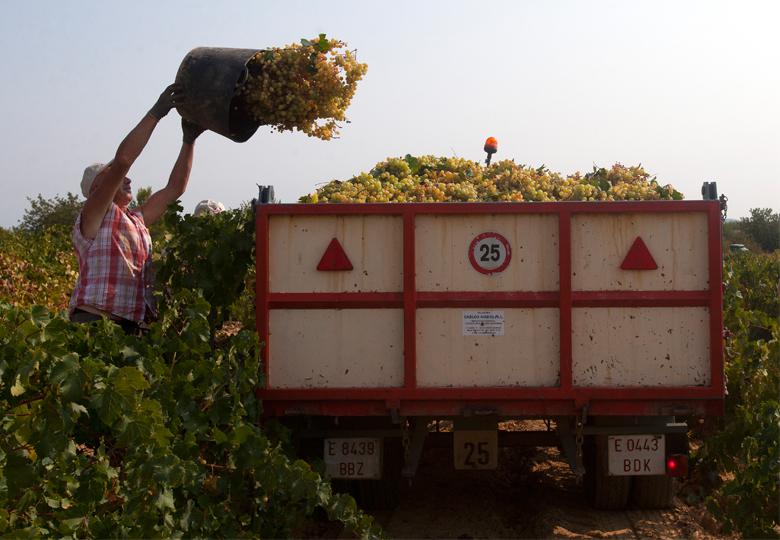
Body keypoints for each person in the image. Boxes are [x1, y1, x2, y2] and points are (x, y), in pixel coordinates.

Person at [69, 83, 206, 333]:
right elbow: (123, 161)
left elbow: (175, 188)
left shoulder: (136, 219)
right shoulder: (94, 215)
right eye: (117, 177)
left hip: (131, 326)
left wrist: (189, 140)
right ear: (98, 187)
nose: (128, 178)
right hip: (95, 324)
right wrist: (156, 112)